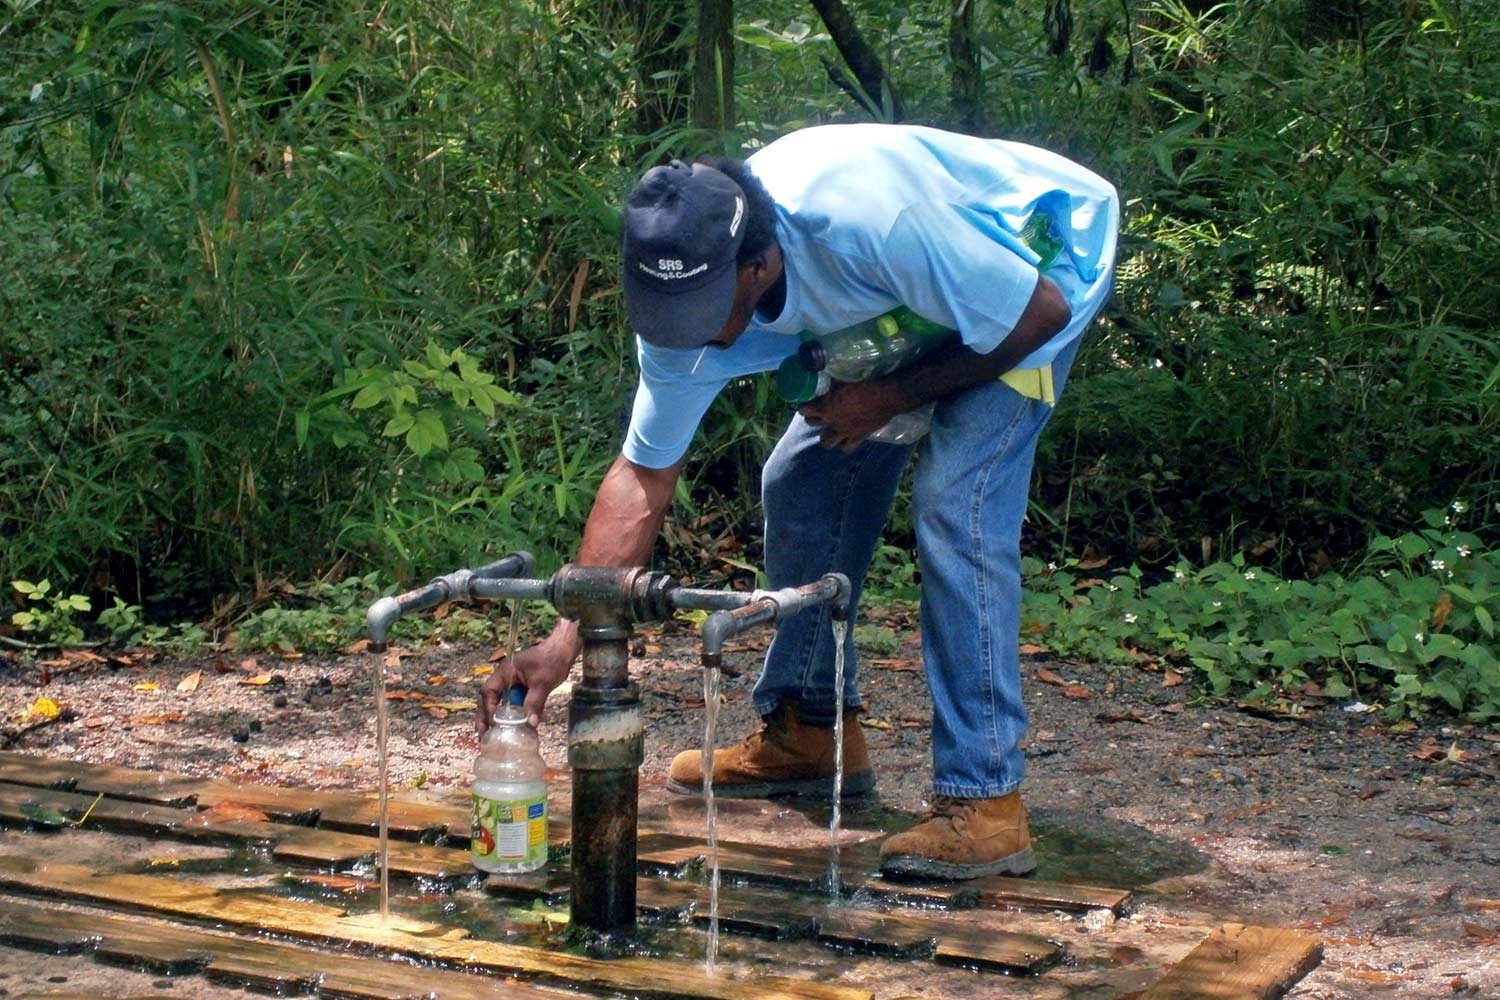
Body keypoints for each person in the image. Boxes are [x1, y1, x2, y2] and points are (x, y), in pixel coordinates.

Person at [479, 123, 1119, 880]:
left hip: (1035, 270)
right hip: (900, 312)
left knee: (957, 500)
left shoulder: (869, 223)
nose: (690, 336)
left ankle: (987, 804)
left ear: (759, 266)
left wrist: (884, 397)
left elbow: (1034, 313)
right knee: (802, 479)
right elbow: (642, 480)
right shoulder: (683, 301)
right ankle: (814, 734)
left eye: (705, 311)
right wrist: (562, 642)